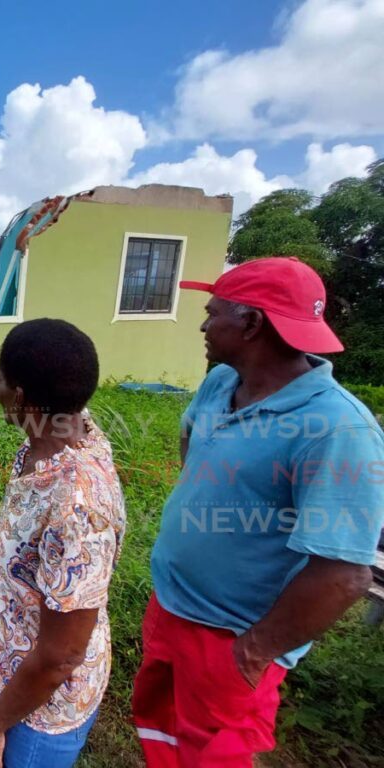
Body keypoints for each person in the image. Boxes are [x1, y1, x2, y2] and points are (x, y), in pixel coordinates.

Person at [132, 256, 384, 767]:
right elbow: (192, 445)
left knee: (211, 756)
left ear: (251, 323)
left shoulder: (336, 429)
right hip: (171, 609)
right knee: (161, 737)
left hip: (230, 639)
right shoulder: (219, 384)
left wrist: (253, 651)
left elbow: (344, 574)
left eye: (213, 313)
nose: (203, 324)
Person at [0, 318, 126, 768]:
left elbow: (61, 655)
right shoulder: (64, 422)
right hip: (19, 665)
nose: (2, 390)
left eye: (5, 380)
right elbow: (11, 393)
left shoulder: (77, 508)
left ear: (24, 400)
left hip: (42, 706)